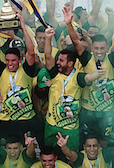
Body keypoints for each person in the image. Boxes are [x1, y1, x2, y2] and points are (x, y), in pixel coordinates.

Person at [42, 8, 99, 150]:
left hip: (70, 128)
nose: (57, 62)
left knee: (70, 158)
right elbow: (48, 57)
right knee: (50, 157)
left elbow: (88, 78)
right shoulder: (55, 73)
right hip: (52, 125)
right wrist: (48, 38)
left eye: (61, 60)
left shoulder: (77, 76)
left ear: (70, 63)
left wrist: (98, 73)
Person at [0, 17, 41, 144]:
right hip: (6, 119)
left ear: (20, 60)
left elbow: (31, 52)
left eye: (13, 60)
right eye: (8, 60)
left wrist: (23, 28)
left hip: (26, 118)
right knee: (8, 150)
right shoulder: (1, 70)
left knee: (29, 148)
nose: (10, 63)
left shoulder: (26, 69)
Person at [79, 34, 114, 144]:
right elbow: (75, 42)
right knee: (86, 143)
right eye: (96, 48)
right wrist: (69, 24)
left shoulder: (111, 59)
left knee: (105, 142)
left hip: (106, 112)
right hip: (87, 112)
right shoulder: (87, 58)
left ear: (107, 48)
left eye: (102, 48)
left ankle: (103, 162)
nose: (99, 51)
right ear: (91, 48)